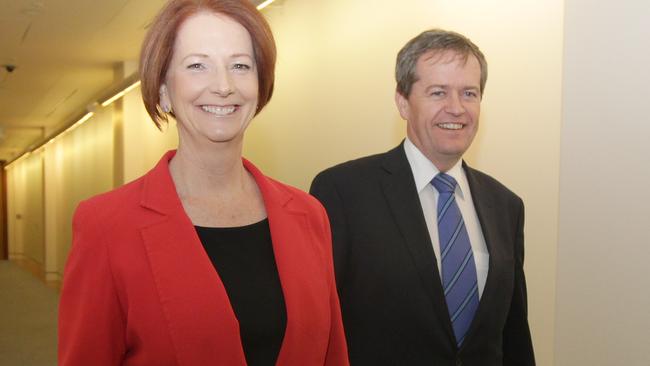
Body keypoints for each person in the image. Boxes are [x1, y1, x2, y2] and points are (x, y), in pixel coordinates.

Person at [58, 1, 348, 365]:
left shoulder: (309, 215)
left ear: (260, 85)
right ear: (163, 89)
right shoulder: (105, 225)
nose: (223, 86)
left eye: (240, 66)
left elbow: (332, 353)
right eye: (197, 66)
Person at [310, 29, 535, 365]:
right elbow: (318, 326)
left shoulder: (505, 205)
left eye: (469, 93)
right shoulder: (342, 192)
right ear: (403, 102)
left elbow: (514, 334)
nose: (456, 108)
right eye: (438, 92)